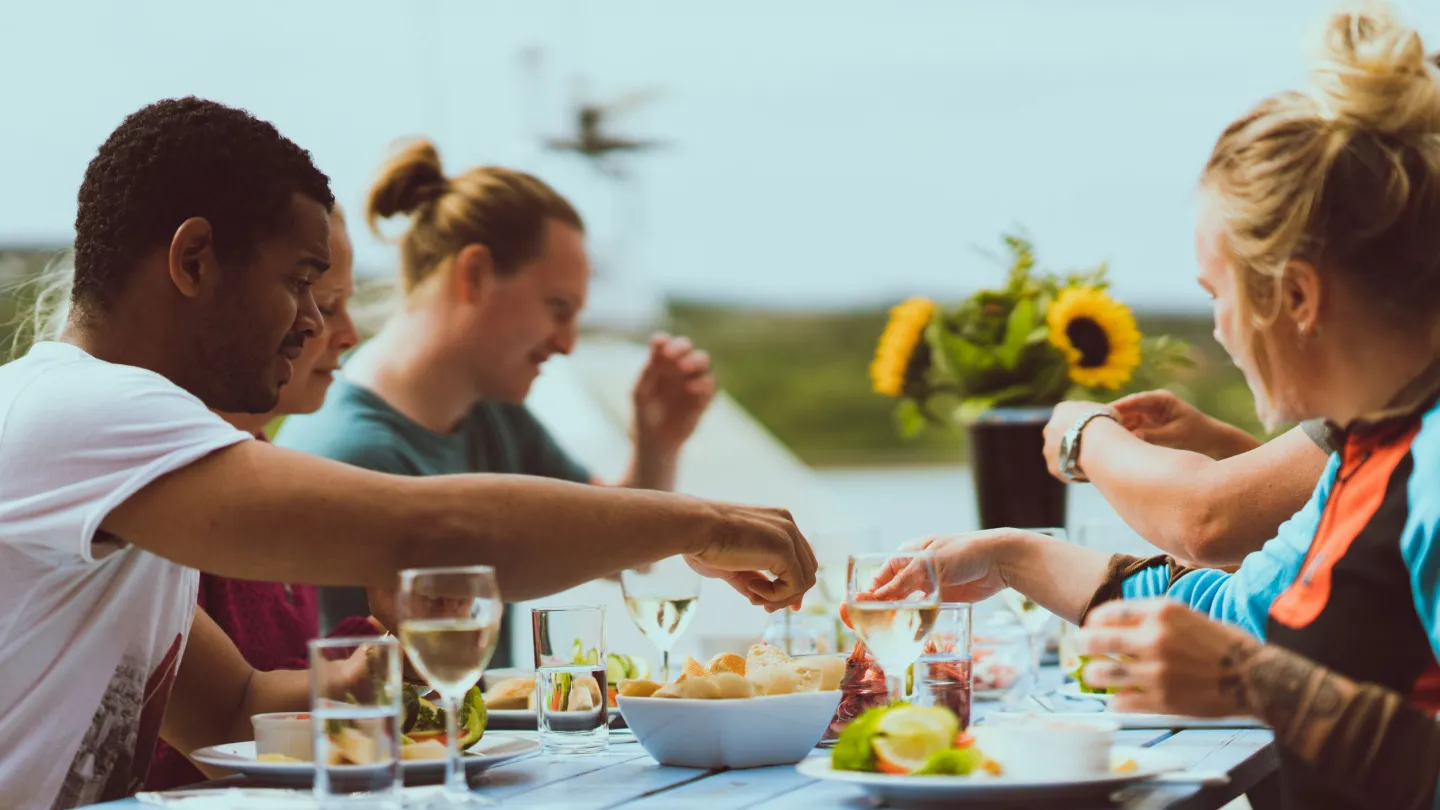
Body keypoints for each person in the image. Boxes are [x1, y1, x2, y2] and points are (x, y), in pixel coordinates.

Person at [0, 97, 815, 810]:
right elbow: (432, 535)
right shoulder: (85, 409)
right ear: (194, 260)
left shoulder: (110, 434)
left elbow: (232, 706)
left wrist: (371, 674)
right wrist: (702, 524)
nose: (317, 325)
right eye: (300, 282)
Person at [874, 5, 1440, 808]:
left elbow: (1247, 657)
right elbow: (1235, 616)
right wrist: (1012, 558)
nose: (1217, 329)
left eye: (1218, 295)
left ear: (1300, 296)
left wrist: (1262, 686)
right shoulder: (1366, 454)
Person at [275, 139, 719, 662]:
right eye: (558, 307)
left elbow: (617, 551)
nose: (567, 342)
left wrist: (657, 444)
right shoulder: (354, 453)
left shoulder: (491, 413)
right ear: (476, 274)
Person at [1040, 392, 1332, 564]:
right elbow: (1314, 498)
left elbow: (1206, 522)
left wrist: (1084, 434)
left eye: (1216, 296)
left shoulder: (1370, 406)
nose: (1218, 330)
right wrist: (1222, 446)